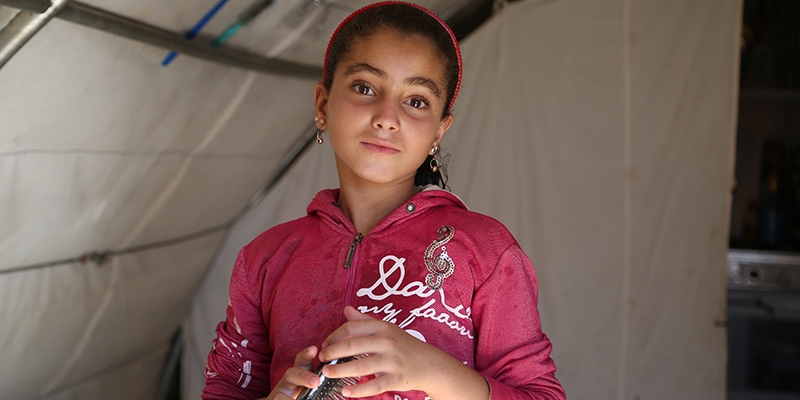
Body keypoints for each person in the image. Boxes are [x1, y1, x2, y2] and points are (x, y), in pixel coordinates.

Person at [202, 2, 565, 399]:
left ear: (439, 131)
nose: (386, 117)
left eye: (417, 100)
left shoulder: (486, 252)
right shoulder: (265, 259)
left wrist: (434, 371)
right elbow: (224, 389)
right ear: (322, 105)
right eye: (364, 88)